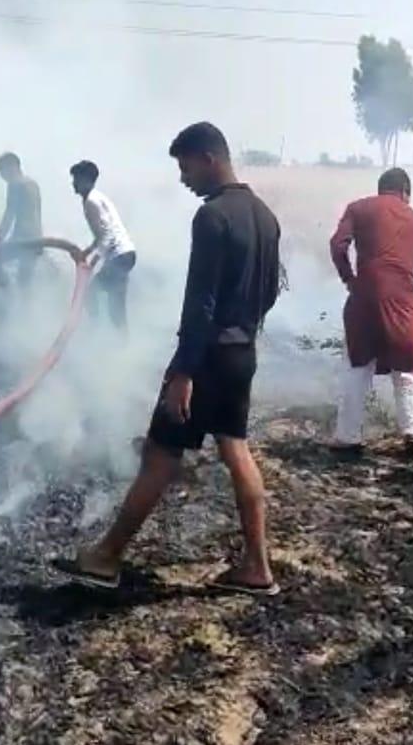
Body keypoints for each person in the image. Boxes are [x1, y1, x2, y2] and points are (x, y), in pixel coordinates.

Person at [65, 122, 282, 596]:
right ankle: (257, 568)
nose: (184, 179)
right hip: (241, 352)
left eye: (186, 168)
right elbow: (270, 290)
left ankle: (105, 558)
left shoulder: (212, 217)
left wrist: (184, 371)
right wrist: (243, 330)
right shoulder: (265, 216)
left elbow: (199, 304)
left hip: (206, 360)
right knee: (236, 449)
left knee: (160, 454)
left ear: (208, 158)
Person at [329, 167, 413, 456]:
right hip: (405, 299)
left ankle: (348, 437)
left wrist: (349, 278)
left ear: (381, 189)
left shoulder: (358, 208)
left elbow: (337, 245)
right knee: (405, 369)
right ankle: (412, 433)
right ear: (405, 193)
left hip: (366, 296)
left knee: (357, 365)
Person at [70, 160, 136, 331]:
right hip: (125, 254)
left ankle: (95, 330)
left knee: (91, 293)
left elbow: (107, 235)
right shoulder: (95, 198)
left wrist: (93, 261)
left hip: (119, 256)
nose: (73, 183)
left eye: (76, 179)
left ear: (87, 180)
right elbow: (102, 233)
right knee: (116, 305)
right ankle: (121, 340)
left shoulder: (91, 201)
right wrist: (88, 251)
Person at [0, 152, 43, 290]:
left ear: (12, 167)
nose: (1, 174)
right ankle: (22, 302)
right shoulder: (32, 183)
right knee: (24, 280)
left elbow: (9, 214)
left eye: (2, 169)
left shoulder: (16, 185)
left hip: (23, 239)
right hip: (36, 238)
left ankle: (9, 293)